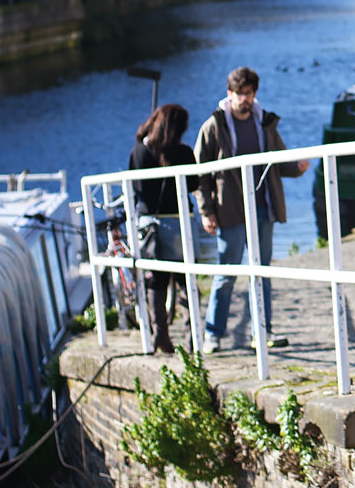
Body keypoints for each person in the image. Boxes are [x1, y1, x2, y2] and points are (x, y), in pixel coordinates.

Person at [195, 66, 309, 352]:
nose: (244, 99)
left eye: (248, 94)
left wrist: (297, 168)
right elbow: (200, 173)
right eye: (239, 94)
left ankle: (263, 331)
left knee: (262, 271)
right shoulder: (214, 125)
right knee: (226, 272)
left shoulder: (264, 122)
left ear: (254, 94)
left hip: (262, 208)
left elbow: (279, 161)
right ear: (229, 94)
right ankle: (214, 334)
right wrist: (206, 211)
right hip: (230, 209)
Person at [129, 103, 195, 354]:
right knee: (184, 279)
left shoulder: (139, 151)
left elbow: (136, 188)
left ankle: (160, 334)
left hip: (149, 223)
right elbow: (194, 183)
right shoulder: (183, 152)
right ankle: (191, 338)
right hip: (178, 222)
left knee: (156, 281)